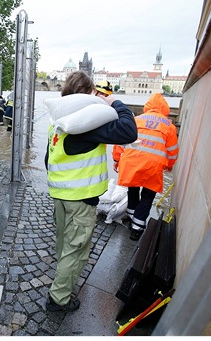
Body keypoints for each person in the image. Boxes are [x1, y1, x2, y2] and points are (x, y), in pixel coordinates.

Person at [44, 70, 138, 312]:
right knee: (76, 250)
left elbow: (48, 159)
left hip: (60, 195)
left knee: (65, 245)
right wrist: (113, 102)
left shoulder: (57, 122)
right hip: (81, 199)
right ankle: (59, 298)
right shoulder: (87, 123)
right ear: (88, 93)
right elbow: (129, 130)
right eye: (93, 92)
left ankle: (62, 281)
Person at [112, 93, 179, 241]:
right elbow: (173, 152)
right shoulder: (169, 126)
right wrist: (168, 165)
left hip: (132, 162)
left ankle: (131, 217)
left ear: (147, 106)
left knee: (133, 189)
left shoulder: (136, 120)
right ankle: (137, 228)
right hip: (153, 166)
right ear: (164, 109)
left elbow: (120, 141)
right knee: (148, 196)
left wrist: (116, 159)